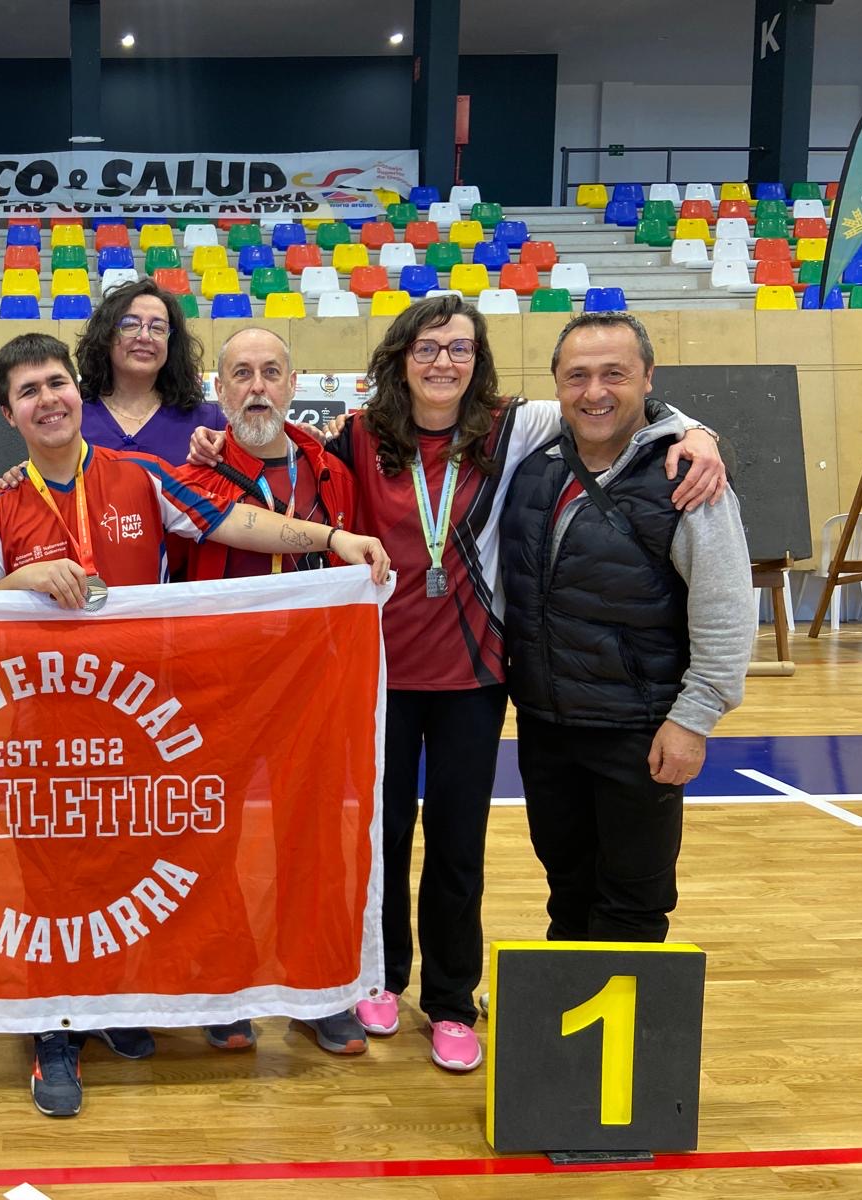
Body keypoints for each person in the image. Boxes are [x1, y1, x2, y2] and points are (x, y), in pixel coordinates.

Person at [188, 295, 727, 1073]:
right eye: (428, 348)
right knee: (380, 842)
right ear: (401, 357)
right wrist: (214, 443)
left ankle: (448, 996)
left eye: (460, 349)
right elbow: (265, 450)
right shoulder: (355, 437)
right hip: (376, 679)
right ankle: (381, 976)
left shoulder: (514, 427)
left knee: (457, 847)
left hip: (475, 678)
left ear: (478, 361)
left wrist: (696, 433)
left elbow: (612, 400)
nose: (444, 362)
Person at [0, 332, 389, 1119]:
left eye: (57, 382)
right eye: (29, 391)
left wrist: (332, 538)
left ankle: (116, 1004)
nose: (48, 399)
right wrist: (18, 581)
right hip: (40, 739)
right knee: (52, 884)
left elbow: (238, 524)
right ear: (7, 411)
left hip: (138, 728)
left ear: (76, 394)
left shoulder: (143, 477)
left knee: (126, 873)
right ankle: (55, 1029)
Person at [501, 312, 752, 943]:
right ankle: (565, 1018)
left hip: (639, 729)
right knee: (567, 886)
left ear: (648, 379)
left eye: (615, 373)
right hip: (546, 725)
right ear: (555, 385)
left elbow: (725, 608)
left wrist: (695, 718)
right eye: (577, 376)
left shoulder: (689, 476)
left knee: (633, 900)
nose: (595, 392)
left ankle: (617, 1029)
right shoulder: (532, 466)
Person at [171, 326, 368, 1057]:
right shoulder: (189, 474)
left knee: (312, 838)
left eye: (271, 372)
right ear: (218, 392)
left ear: (294, 383)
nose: (257, 387)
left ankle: (318, 991)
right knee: (211, 839)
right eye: (241, 375)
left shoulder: (333, 473)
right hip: (218, 686)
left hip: (313, 685)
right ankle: (222, 985)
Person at [73, 278, 225, 464]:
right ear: (106, 335)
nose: (145, 337)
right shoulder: (73, 418)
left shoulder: (209, 422)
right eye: (130, 325)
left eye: (158, 328)